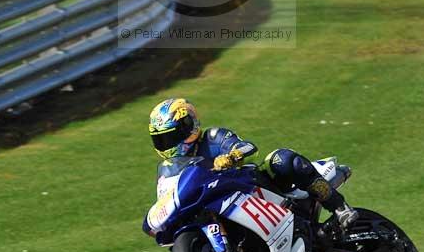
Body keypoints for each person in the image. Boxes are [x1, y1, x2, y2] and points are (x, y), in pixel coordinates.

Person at [143, 97, 358, 235]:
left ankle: (340, 208)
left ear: (188, 127)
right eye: (162, 140)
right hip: (215, 205)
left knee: (281, 159)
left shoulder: (212, 137)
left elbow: (248, 147)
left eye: (172, 137)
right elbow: (167, 198)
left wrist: (232, 156)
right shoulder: (167, 169)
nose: (168, 145)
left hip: (252, 186)